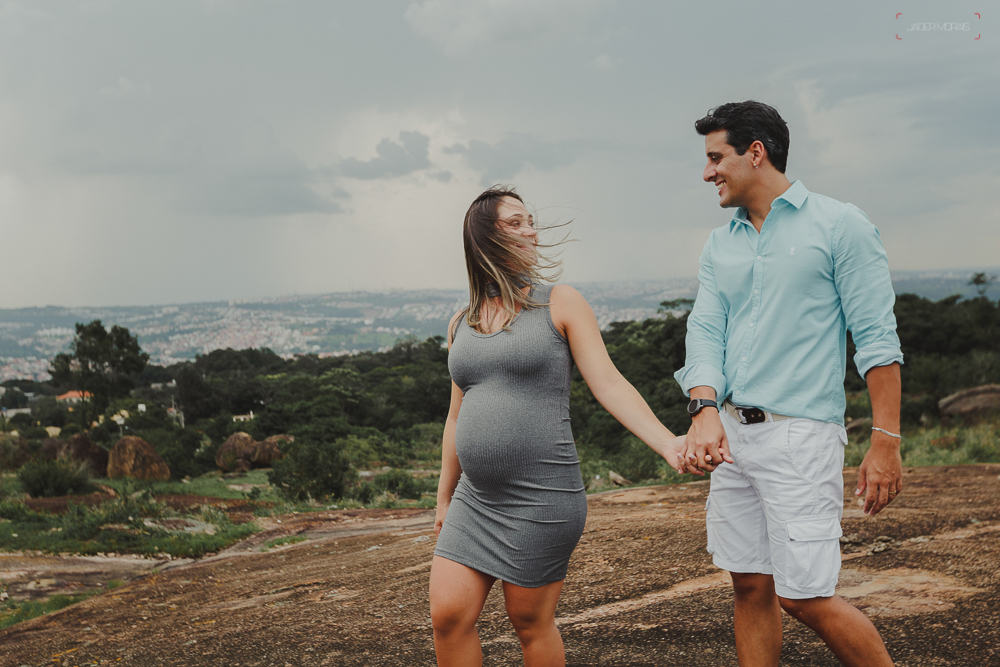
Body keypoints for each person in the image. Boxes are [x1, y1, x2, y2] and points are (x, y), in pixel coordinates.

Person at [674, 100, 903, 667]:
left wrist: (885, 442)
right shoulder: (719, 242)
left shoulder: (840, 224)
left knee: (804, 596)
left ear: (756, 153)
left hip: (800, 437)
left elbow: (876, 340)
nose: (707, 174)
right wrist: (703, 408)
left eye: (715, 158)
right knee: (749, 586)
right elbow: (704, 329)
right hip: (732, 435)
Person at [430, 186, 694, 667]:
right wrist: (444, 496)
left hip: (543, 495)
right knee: (447, 616)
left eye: (530, 220)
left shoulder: (561, 302)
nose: (530, 229)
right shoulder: (460, 323)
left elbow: (609, 384)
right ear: (482, 236)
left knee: (529, 622)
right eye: (516, 222)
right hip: (476, 499)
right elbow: (455, 416)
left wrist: (668, 443)